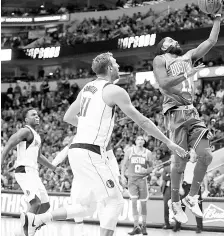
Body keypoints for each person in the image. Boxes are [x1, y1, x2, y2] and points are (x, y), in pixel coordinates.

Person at [21, 52, 187, 236]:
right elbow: (143, 122)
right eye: (115, 63)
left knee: (85, 208)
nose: (118, 66)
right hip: (90, 152)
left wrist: (93, 127)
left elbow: (68, 116)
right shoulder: (114, 90)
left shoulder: (87, 88)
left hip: (76, 152)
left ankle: (38, 219)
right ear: (109, 68)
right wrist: (169, 143)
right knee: (115, 201)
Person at [152, 2, 223, 224]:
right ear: (164, 47)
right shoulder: (160, 60)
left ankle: (192, 197)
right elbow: (163, 84)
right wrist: (187, 74)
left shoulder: (189, 56)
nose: (176, 42)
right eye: (170, 41)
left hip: (191, 111)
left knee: (207, 155)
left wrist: (218, 18)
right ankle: (174, 202)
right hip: (173, 112)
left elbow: (211, 41)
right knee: (180, 162)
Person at [1, 108, 65, 232]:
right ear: (26, 119)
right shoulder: (25, 131)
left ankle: (28, 226)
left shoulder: (37, 136)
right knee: (35, 203)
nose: (37, 116)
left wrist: (54, 168)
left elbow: (39, 157)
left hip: (33, 173)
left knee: (45, 205)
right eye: (33, 115)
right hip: (24, 171)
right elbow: (9, 144)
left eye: (37, 114)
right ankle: (25, 232)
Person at [52, 139, 122, 236]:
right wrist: (54, 165)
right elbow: (66, 149)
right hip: (84, 177)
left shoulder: (104, 134)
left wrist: (117, 175)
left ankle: (44, 217)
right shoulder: (81, 134)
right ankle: (79, 230)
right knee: (84, 207)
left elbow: (110, 155)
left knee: (101, 205)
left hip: (98, 176)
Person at [121, 135, 153, 235]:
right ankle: (136, 226)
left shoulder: (148, 153)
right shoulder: (129, 151)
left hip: (142, 180)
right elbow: (124, 164)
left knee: (143, 204)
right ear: (135, 141)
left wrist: (146, 170)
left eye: (142, 139)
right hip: (132, 181)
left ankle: (144, 226)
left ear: (144, 142)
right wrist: (122, 176)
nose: (140, 141)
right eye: (138, 139)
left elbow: (151, 168)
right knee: (134, 202)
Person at [173, 150, 207, 233]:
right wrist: (180, 187)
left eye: (195, 153)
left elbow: (204, 177)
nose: (194, 155)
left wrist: (206, 189)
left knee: (197, 207)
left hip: (195, 186)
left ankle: (199, 227)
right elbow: (180, 176)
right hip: (185, 186)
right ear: (190, 154)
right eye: (192, 153)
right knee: (181, 206)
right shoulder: (185, 163)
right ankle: (177, 226)